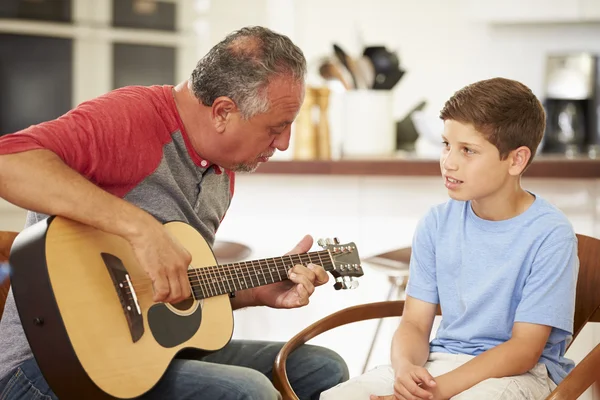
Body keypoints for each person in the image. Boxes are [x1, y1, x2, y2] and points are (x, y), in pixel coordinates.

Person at [0, 26, 348, 400]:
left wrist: (253, 291)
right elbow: (9, 163)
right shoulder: (131, 118)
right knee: (249, 392)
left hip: (143, 358)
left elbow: (166, 297)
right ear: (222, 112)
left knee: (321, 367)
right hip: (48, 369)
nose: (284, 143)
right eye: (276, 128)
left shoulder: (223, 169)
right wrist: (141, 229)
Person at [321, 77, 579, 400]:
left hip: (522, 374)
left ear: (516, 160)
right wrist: (405, 372)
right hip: (440, 361)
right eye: (446, 145)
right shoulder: (436, 223)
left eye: (468, 150)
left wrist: (437, 392)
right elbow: (414, 324)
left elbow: (524, 350)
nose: (449, 162)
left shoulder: (551, 235)